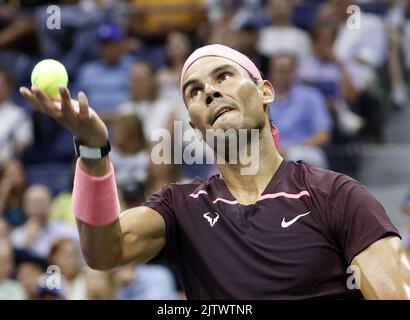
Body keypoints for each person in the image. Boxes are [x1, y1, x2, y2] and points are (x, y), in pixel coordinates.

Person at [20, 44, 410, 299]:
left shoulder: (336, 195)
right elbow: (104, 251)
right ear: (194, 126)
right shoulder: (181, 206)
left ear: (265, 92)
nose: (209, 91)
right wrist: (92, 150)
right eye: (194, 91)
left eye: (223, 76)